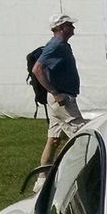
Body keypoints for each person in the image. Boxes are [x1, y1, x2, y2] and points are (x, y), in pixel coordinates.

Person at [33, 13, 84, 167]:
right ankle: (82, 170)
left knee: (54, 140)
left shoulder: (63, 45)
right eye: (69, 25)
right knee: (82, 135)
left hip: (61, 97)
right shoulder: (55, 46)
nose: (73, 27)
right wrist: (55, 93)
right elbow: (37, 69)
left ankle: (42, 177)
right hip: (62, 99)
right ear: (61, 28)